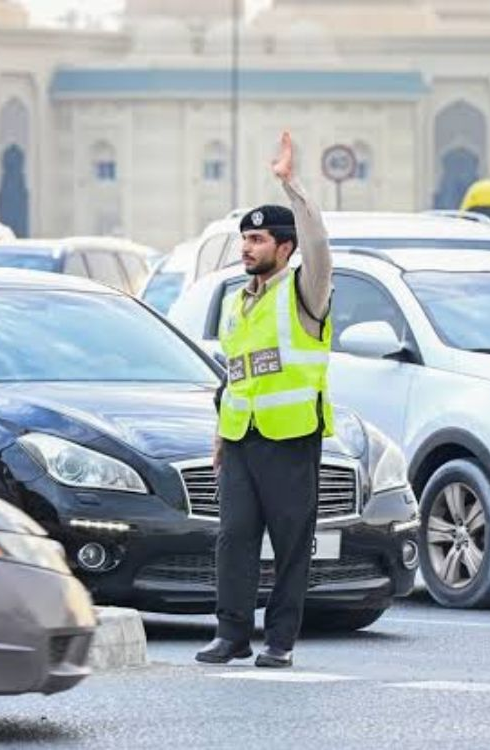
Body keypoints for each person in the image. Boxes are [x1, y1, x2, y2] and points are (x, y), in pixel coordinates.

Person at [195, 131, 334, 669]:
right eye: (243, 240)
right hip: (240, 437)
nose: (246, 247)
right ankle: (231, 634)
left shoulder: (307, 292)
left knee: (291, 543)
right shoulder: (235, 300)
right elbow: (235, 372)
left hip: (291, 437)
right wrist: (220, 434)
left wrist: (293, 187)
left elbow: (320, 244)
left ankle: (280, 641)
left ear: (284, 246)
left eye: (257, 240)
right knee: (233, 539)